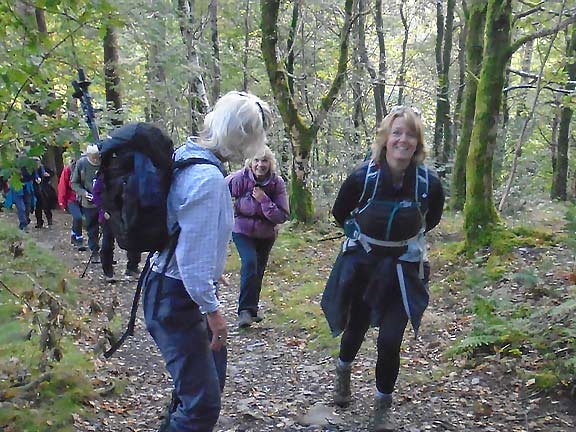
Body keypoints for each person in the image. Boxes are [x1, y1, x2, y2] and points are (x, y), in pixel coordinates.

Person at [143, 91, 272, 432]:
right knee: (202, 405)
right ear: (243, 139)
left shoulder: (187, 155)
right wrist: (214, 313)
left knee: (203, 384)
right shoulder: (209, 180)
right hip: (177, 296)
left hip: (167, 289)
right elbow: (193, 265)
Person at [321, 106, 444, 432]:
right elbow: (340, 212)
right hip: (364, 266)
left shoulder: (428, 183)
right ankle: (343, 372)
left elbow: (430, 220)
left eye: (411, 134)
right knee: (355, 329)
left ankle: (381, 408)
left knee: (390, 341)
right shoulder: (362, 177)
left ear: (418, 142)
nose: (403, 140)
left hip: (404, 270)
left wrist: (400, 243)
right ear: (385, 139)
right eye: (397, 133)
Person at [226, 146, 289, 328]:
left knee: (258, 270)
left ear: (270, 164)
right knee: (250, 263)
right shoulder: (240, 178)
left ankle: (252, 310)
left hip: (266, 234)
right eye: (256, 160)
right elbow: (218, 190)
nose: (260, 165)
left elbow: (282, 216)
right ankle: (244, 311)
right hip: (241, 230)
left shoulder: (277, 183)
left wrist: (264, 201)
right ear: (250, 163)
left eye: (264, 161)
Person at [92, 173, 141, 282]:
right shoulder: (103, 175)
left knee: (133, 240)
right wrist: (102, 210)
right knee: (107, 242)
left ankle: (132, 268)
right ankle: (108, 271)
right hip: (108, 214)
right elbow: (96, 195)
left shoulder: (130, 174)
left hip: (127, 213)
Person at [71, 144, 101, 262]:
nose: (95, 159)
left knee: (107, 228)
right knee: (92, 227)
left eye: (97, 156)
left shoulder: (104, 163)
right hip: (89, 203)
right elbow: (74, 183)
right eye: (92, 157)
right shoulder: (81, 164)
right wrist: (84, 193)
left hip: (104, 202)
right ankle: (94, 251)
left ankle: (107, 254)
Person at [58, 158, 85, 250]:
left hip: (83, 198)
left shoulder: (85, 169)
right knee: (78, 217)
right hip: (71, 199)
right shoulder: (68, 170)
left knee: (77, 218)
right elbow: (62, 186)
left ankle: (73, 236)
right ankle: (79, 238)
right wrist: (62, 202)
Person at [32, 157, 56, 228]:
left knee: (46, 206)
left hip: (45, 189)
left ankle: (49, 221)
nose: (37, 163)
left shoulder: (44, 168)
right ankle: (39, 222)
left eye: (38, 161)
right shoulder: (32, 170)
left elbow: (52, 173)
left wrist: (47, 175)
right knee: (38, 207)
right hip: (36, 190)